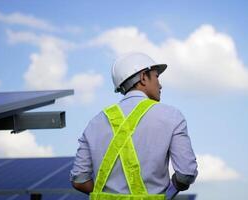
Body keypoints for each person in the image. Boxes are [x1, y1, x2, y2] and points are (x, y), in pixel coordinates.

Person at [70, 52, 198, 200]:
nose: (160, 84)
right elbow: (186, 175)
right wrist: (167, 193)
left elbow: (79, 180)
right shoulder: (171, 116)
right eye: (157, 76)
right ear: (143, 77)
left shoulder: (95, 122)